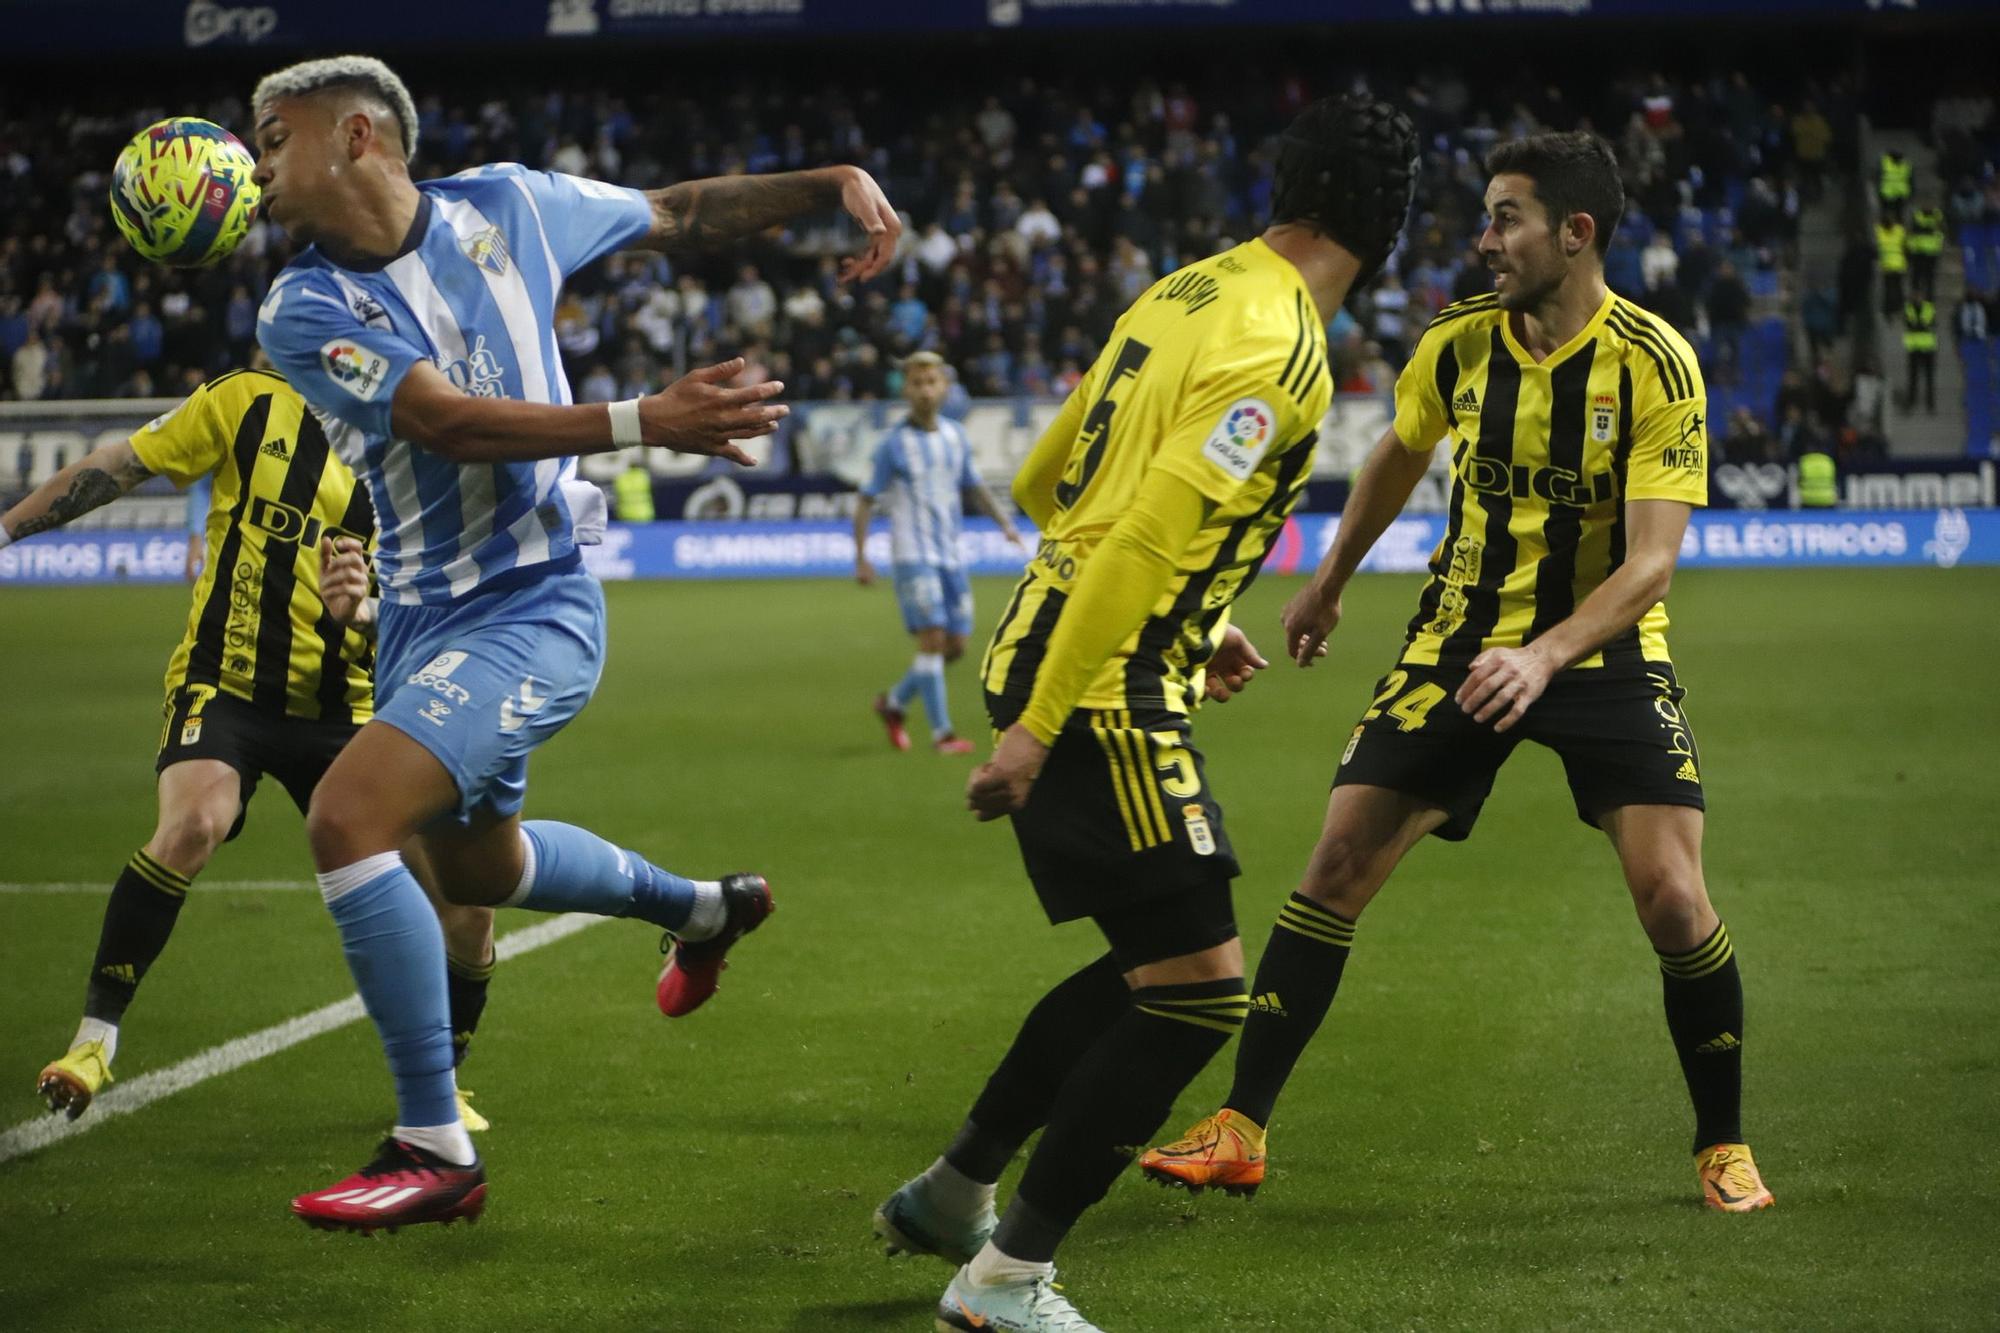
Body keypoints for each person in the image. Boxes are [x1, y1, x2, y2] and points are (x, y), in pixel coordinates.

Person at [245, 54, 899, 1233]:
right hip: (419, 618)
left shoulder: (507, 205)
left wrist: (832, 181)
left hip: (535, 601)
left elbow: (677, 212)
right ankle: (704, 907)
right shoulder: (302, 308)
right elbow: (441, 420)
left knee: (348, 816)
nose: (253, 165)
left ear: (355, 136)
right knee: (479, 873)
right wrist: (643, 420)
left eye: (270, 137)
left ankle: (432, 1145)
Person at [1142, 130, 1775, 1216]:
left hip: (1598, 650)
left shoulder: (1654, 361)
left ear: (1574, 234)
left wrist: (1541, 653)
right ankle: (1237, 1127)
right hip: (1452, 640)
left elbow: (1652, 561)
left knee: (1672, 899)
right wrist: (1327, 579)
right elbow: (1396, 450)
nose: (1483, 240)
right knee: (1335, 859)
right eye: (1485, 216)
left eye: (1504, 218)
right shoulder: (1458, 341)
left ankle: (1719, 1143)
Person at [873, 95, 1417, 1333]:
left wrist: (1196, 608)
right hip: (1101, 682)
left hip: (1065, 640)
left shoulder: (1182, 291)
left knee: (1151, 971)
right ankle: (1005, 1278)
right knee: (1197, 995)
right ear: (1381, 225)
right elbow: (1143, 534)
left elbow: (1042, 478)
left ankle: (956, 1195)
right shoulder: (1284, 351)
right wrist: (1040, 722)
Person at [0, 368, 498, 1133]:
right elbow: (120, 464)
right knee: (195, 821)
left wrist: (360, 608)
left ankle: (441, 1083)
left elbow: (424, 619)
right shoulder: (247, 401)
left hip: (349, 706)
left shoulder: (417, 453)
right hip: (226, 684)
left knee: (464, 906)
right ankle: (93, 1042)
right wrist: (4, 530)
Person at [854, 352, 1022, 756]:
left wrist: (1005, 524)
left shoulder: (955, 436)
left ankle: (893, 703)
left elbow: (975, 485)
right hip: (914, 555)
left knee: (956, 645)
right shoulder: (893, 445)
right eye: (916, 383)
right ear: (906, 390)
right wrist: (861, 555)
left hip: (951, 553)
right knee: (931, 640)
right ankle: (942, 734)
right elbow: (865, 500)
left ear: (945, 387)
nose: (925, 391)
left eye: (932, 382)